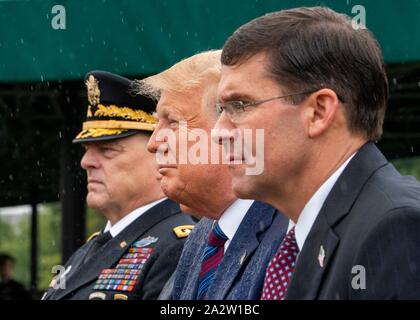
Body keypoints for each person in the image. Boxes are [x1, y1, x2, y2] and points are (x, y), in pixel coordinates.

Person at [213, 6, 420, 299]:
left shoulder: (395, 230)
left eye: (240, 105)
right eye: (222, 109)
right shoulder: (306, 232)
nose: (218, 132)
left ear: (319, 111)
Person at [137, 50, 288, 300]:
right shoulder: (203, 236)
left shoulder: (288, 233)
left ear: (229, 126)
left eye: (172, 122)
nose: (153, 143)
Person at [42, 71, 195, 300]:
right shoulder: (92, 248)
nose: (86, 162)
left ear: (160, 154)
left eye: (107, 151)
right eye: (86, 151)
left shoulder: (178, 246)